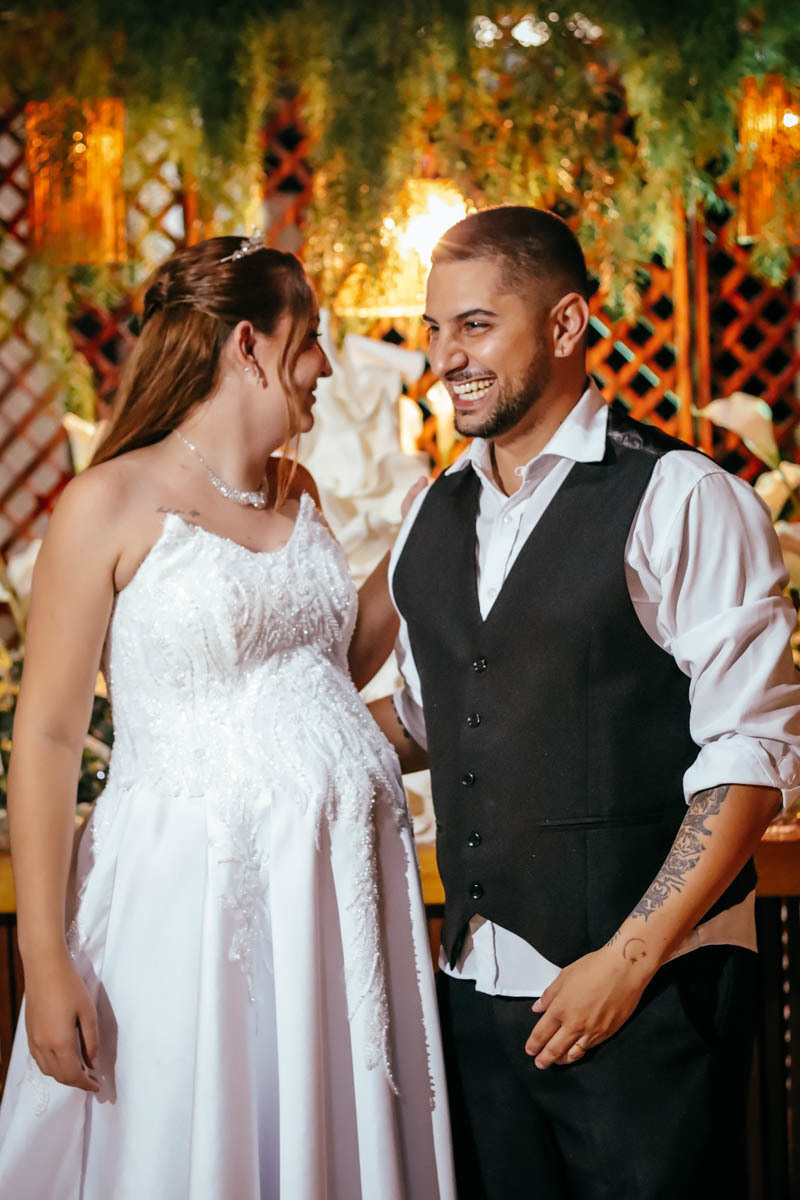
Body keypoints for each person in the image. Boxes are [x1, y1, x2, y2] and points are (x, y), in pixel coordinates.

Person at [0, 236, 455, 1199]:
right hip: (192, 901)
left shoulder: (301, 492)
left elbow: (324, 673)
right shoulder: (107, 501)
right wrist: (42, 957)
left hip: (330, 893)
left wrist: (419, 538)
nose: (326, 364)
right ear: (249, 345)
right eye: (311, 339)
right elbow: (45, 738)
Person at [369, 206, 800, 1200]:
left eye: (476, 325)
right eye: (434, 329)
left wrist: (627, 961)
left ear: (565, 325)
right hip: (474, 1001)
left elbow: (749, 760)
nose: (445, 356)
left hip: (649, 998)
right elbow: (433, 718)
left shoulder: (681, 496)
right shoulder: (432, 511)